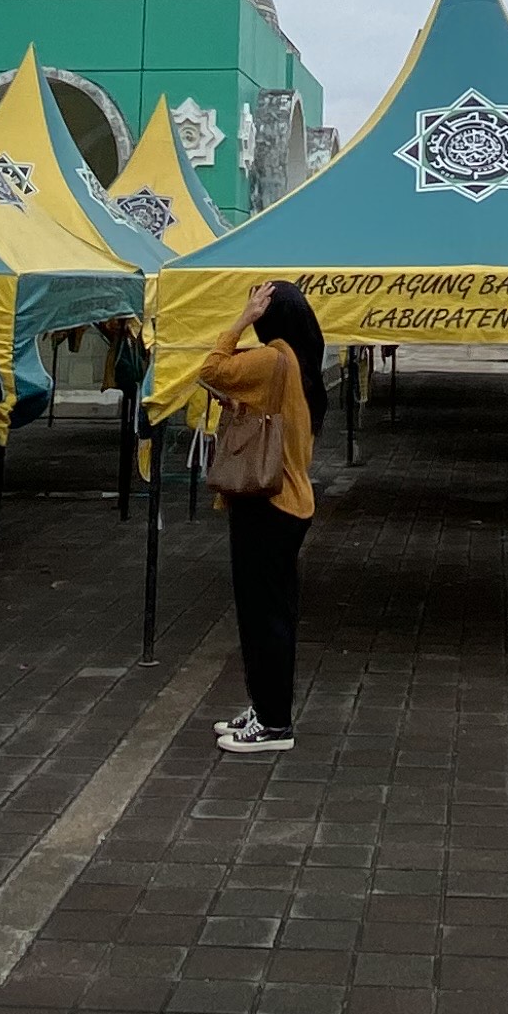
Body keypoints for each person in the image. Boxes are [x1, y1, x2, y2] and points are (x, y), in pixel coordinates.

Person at [200, 281, 323, 755]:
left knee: (263, 618)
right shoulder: (297, 362)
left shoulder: (272, 359)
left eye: (258, 306)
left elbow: (211, 368)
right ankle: (265, 707)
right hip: (288, 502)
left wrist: (241, 321)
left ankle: (274, 724)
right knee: (269, 614)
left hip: (267, 504)